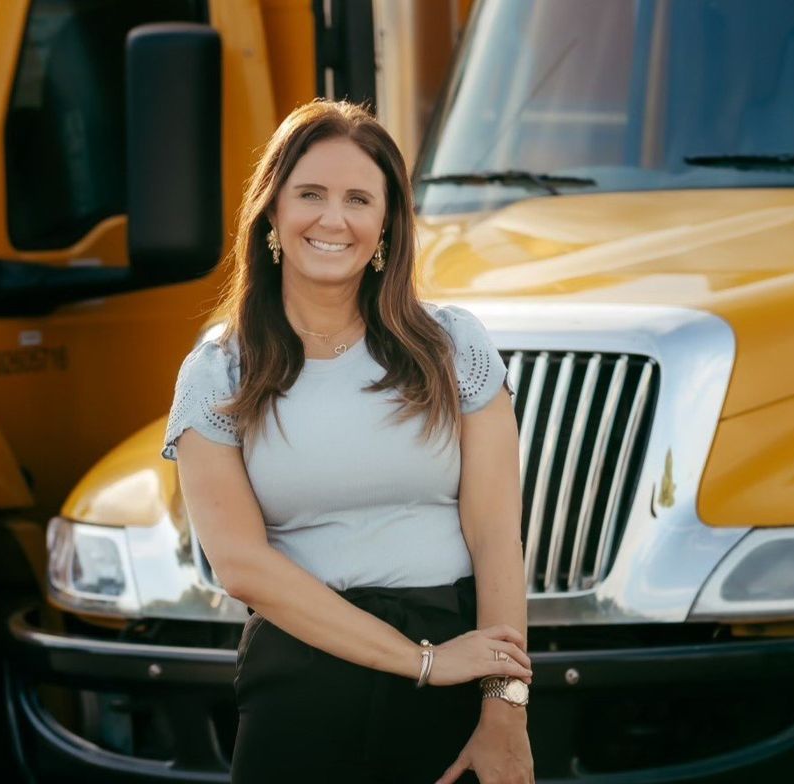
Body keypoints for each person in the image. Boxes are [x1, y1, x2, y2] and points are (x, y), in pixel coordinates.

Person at [160, 100, 534, 783]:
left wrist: (505, 711)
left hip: (455, 668)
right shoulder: (218, 370)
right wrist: (420, 660)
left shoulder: (455, 347)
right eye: (310, 194)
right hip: (301, 684)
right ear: (272, 212)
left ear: (386, 224)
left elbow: (496, 535)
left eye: (359, 199)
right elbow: (240, 565)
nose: (333, 219)